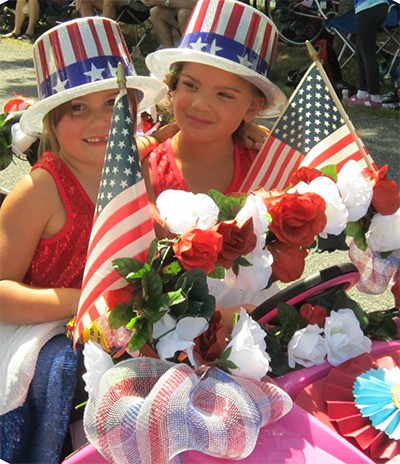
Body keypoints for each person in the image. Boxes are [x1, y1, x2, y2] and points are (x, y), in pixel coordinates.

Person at [0, 16, 167, 462]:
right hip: (49, 333)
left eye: (114, 104)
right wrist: (82, 300)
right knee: (62, 372)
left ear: (134, 107)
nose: (100, 121)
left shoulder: (136, 167)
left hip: (120, 331)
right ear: (52, 120)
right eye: (78, 108)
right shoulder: (41, 189)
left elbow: (173, 137)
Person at [143, 0, 287, 315]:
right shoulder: (147, 166)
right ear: (172, 87)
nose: (200, 104)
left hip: (252, 322)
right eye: (190, 86)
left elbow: (284, 261)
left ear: (252, 107)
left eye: (224, 94)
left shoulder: (262, 164)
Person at [343, 0, 389, 108]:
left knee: (367, 52)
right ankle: (362, 93)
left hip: (368, 7)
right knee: (360, 50)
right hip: (380, 6)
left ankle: (374, 97)